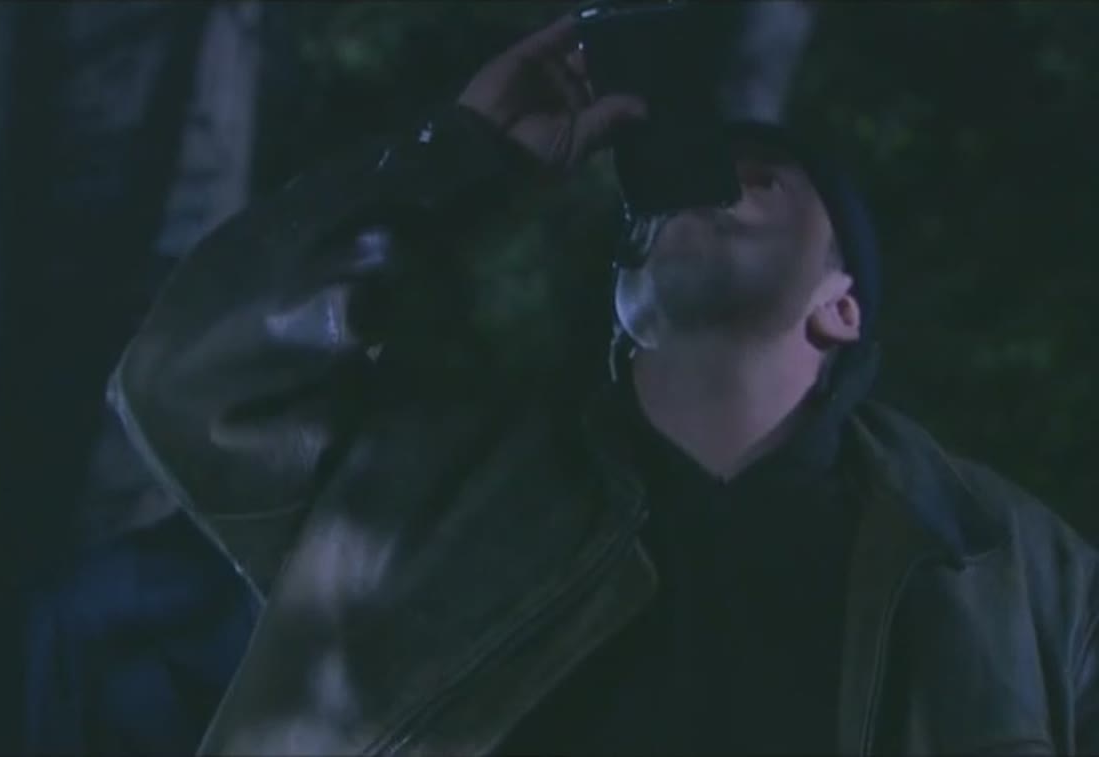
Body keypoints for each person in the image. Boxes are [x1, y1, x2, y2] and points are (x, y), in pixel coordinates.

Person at [103, 14, 1094, 756]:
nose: (708, 183)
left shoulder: (1019, 573)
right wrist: (459, 157)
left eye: (762, 175)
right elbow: (189, 378)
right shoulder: (436, 489)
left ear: (841, 308)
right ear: (625, 303)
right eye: (661, 200)